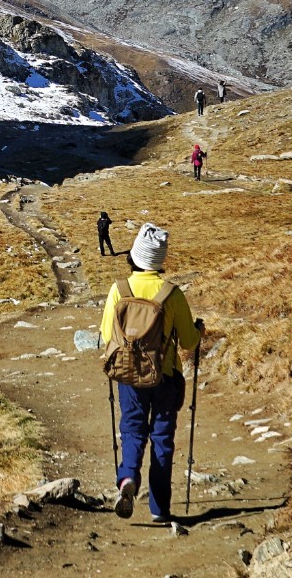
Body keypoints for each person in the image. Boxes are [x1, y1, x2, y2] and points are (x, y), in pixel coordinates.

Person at [99, 223, 201, 525]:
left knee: (131, 429)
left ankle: (127, 478)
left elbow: (108, 335)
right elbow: (188, 341)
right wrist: (198, 331)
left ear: (134, 255)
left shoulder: (118, 290)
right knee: (162, 438)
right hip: (165, 376)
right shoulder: (172, 294)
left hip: (128, 376)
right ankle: (159, 508)